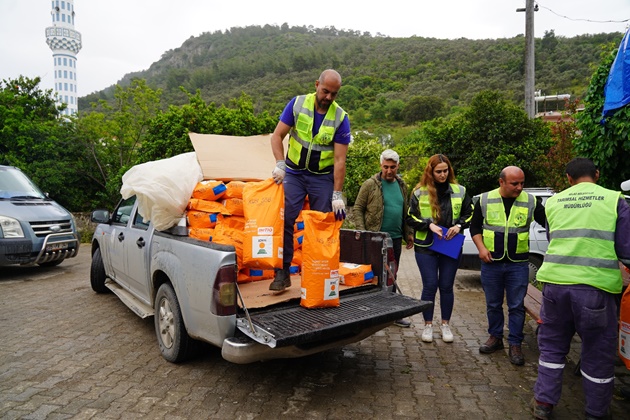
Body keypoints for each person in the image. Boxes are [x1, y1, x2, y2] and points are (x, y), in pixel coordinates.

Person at [531, 158, 630, 420]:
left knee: (552, 346)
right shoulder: (614, 200)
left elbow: (556, 239)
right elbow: (627, 250)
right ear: (597, 174)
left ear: (568, 178)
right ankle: (596, 412)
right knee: (597, 351)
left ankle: (544, 403)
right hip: (595, 289)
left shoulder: (553, 202)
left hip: (555, 287)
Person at [269, 69, 351, 291]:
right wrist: (280, 163)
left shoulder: (341, 118)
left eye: (334, 94)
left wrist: (337, 193)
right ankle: (282, 272)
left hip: (321, 178)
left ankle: (316, 274)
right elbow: (277, 136)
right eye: (325, 91)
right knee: (285, 218)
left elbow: (340, 160)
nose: (328, 97)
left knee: (321, 224)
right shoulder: (297, 104)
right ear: (317, 84)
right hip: (294, 174)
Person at [470, 166, 546, 365]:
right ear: (501, 182)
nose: (519, 187)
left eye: (522, 183)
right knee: (493, 304)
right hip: (491, 262)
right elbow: (475, 227)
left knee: (516, 306)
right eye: (515, 183)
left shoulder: (531, 201)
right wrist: (481, 248)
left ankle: (515, 344)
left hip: (518, 264)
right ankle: (495, 338)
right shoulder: (485, 200)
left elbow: (549, 222)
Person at [406, 154, 473, 342]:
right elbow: (410, 217)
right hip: (426, 246)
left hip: (449, 244)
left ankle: (445, 325)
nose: (443, 175)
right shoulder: (419, 192)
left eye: (445, 171)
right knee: (429, 285)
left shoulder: (460, 190)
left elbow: (470, 213)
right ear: (431, 172)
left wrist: (459, 225)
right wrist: (429, 225)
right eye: (438, 172)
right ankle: (427, 326)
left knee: (446, 286)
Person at [354, 149, 415, 327]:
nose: (389, 171)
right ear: (380, 165)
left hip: (395, 238)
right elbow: (358, 208)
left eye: (393, 167)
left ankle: (391, 315)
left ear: (398, 166)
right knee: (372, 276)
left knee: (391, 276)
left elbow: (406, 212)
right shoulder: (370, 184)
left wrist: (408, 233)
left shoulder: (402, 185)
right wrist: (363, 232)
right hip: (375, 238)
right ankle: (369, 314)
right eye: (386, 167)